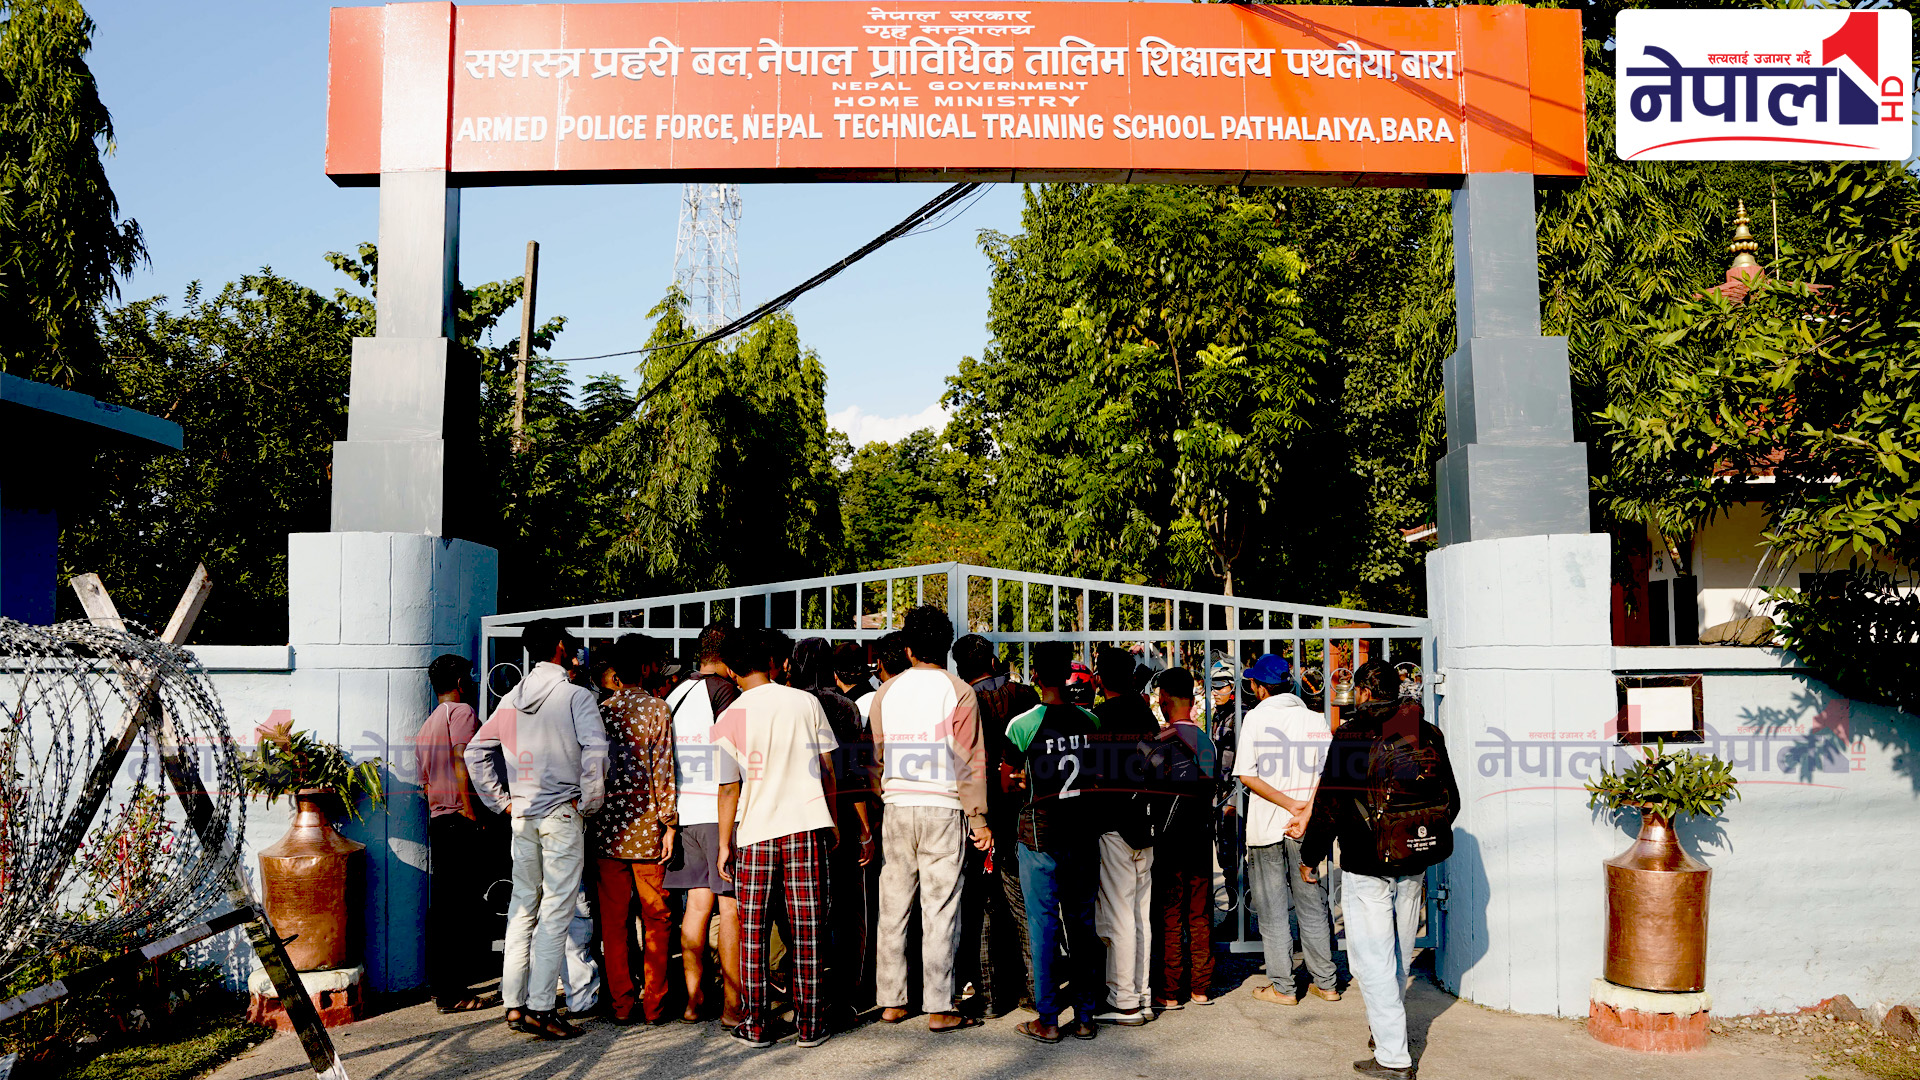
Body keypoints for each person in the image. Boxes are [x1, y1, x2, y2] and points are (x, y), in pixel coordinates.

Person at [1298, 659, 1460, 1080]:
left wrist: (1309, 856)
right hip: (1414, 862)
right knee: (1399, 953)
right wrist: (1417, 837)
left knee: (1373, 960)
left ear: (1365, 693)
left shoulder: (1351, 736)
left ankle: (1392, 1057)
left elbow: (1329, 805)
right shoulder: (1426, 732)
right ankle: (1386, 1029)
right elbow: (1451, 800)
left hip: (1366, 863)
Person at [465, 619, 608, 1041]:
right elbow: (595, 752)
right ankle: (542, 1008)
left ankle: (515, 1003)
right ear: (561, 647)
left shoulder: (511, 699)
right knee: (557, 910)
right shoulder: (576, 696)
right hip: (561, 813)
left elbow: (476, 751)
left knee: (523, 907)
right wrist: (589, 801)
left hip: (523, 815)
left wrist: (503, 802)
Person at [713, 628, 842, 1049]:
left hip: (755, 834)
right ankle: (810, 1024)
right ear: (771, 661)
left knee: (753, 931)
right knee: (808, 929)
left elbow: (728, 787)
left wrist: (724, 843)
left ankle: (756, 1024)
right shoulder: (805, 702)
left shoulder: (729, 716)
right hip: (805, 826)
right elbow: (826, 769)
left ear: (731, 669)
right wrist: (832, 819)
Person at [869, 606, 991, 1033]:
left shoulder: (887, 692)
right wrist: (979, 819)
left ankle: (892, 1000)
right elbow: (970, 762)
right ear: (947, 646)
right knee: (940, 909)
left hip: (897, 806)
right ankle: (939, 1005)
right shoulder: (959, 692)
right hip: (943, 807)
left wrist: (887, 794)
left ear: (907, 648)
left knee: (893, 906)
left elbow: (876, 755)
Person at [1004, 640, 1104, 1044]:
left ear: (1035, 676)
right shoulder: (1091, 721)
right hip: (1082, 835)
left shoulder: (1022, 725)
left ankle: (1047, 1020)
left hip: (1040, 836)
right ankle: (1085, 1016)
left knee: (1043, 927)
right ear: (1067, 675)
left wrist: (1025, 780)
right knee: (1082, 925)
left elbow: (1007, 780)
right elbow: (1097, 775)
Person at [1233, 653, 1339, 1007]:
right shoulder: (1314, 719)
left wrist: (1288, 804)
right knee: (1311, 902)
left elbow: (1246, 774)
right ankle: (1326, 983)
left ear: (1259, 687)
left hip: (1266, 825)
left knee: (1272, 907)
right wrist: (1304, 810)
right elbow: (1327, 774)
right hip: (1305, 826)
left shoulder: (1255, 718)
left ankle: (1283, 986)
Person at [590, 635, 679, 1024]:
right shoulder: (658, 709)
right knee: (656, 917)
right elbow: (663, 769)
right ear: (645, 668)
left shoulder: (601, 711)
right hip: (647, 830)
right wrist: (669, 823)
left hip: (608, 830)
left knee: (614, 922)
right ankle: (655, 1004)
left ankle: (621, 1004)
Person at [663, 621, 746, 1026]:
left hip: (684, 814)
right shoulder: (725, 692)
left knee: (696, 907)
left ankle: (693, 1002)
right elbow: (736, 753)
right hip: (719, 813)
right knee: (730, 908)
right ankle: (732, 1005)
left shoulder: (676, 693)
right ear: (728, 658)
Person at [793, 636, 879, 1018]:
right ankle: (846, 994)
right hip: (842, 810)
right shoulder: (844, 707)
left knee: (804, 907)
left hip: (799, 814)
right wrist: (865, 830)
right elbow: (854, 772)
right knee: (849, 908)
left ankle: (803, 990)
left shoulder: (791, 704)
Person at [953, 633, 1036, 1018]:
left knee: (984, 904)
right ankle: (1034, 989)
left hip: (979, 815)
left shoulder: (960, 701)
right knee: (1024, 904)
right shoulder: (1024, 696)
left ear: (960, 668)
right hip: (1021, 812)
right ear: (992, 662)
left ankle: (988, 996)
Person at [416, 654, 494, 1013]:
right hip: (459, 818)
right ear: (461, 683)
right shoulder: (461, 712)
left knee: (446, 906)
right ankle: (455, 992)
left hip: (438, 820)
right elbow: (464, 758)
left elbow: (425, 783)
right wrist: (469, 807)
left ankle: (444, 987)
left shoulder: (427, 725)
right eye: (470, 678)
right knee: (462, 907)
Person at [1091, 645, 1160, 1026]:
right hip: (1144, 821)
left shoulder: (1100, 717)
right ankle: (1141, 995)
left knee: (1117, 915)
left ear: (1100, 679)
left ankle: (1125, 1001)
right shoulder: (1145, 714)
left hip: (1114, 823)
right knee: (1139, 915)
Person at [1147, 668, 1218, 1010]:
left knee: (1171, 914)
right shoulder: (1207, 742)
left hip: (1169, 839)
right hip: (1201, 836)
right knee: (1200, 912)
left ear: (1164, 699)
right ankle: (1201, 988)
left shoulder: (1159, 742)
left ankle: (1170, 990)